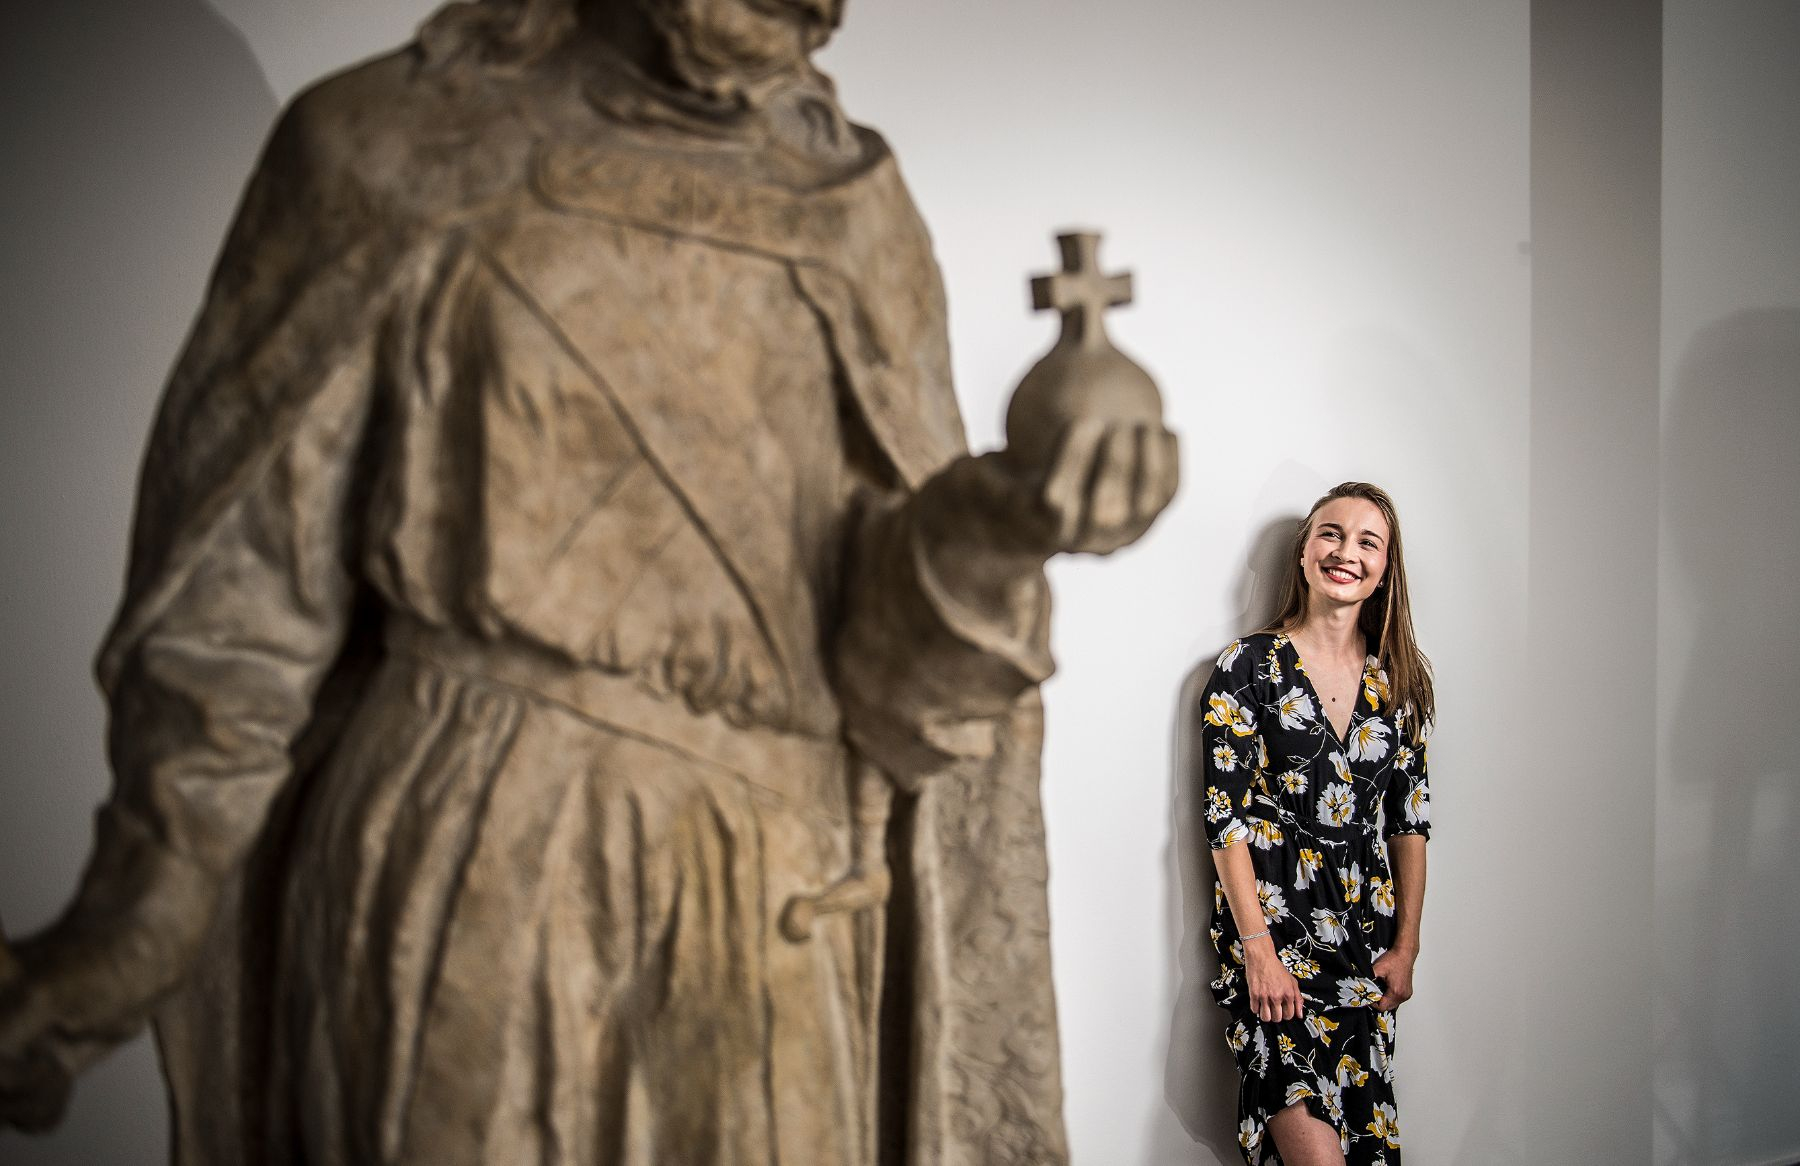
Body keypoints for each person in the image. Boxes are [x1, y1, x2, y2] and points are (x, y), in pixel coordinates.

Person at [0, 1, 1179, 1162]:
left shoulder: (848, 207)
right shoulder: (391, 147)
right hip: (482, 859)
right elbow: (238, 607)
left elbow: (887, 689)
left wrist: (998, 526)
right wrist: (136, 917)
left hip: (776, 883)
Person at [1197, 482, 1433, 1165]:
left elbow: (1410, 824)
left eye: (1368, 542)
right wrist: (1257, 950)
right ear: (1303, 552)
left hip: (1364, 950)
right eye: (1331, 533)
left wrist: (1407, 948)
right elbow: (1223, 820)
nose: (1346, 552)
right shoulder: (1248, 668)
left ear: (1385, 569)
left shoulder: (1399, 684)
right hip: (1276, 952)